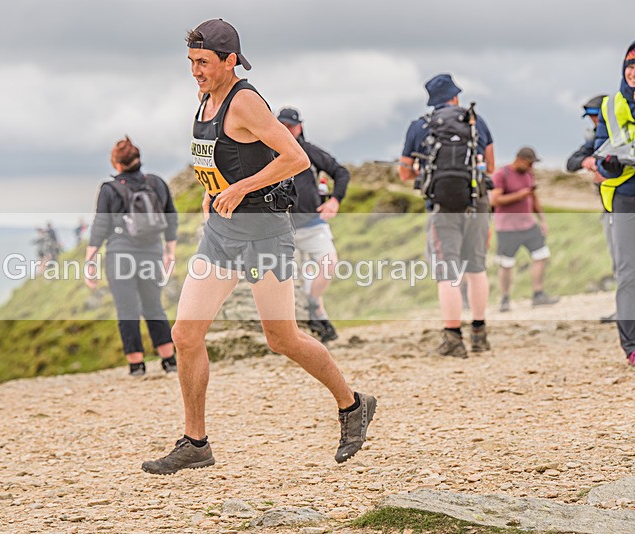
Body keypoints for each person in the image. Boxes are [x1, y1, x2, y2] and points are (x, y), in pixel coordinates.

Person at [141, 19, 376, 475]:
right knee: (185, 336)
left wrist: (239, 188)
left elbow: (296, 158)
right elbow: (219, 160)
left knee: (281, 338)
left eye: (204, 63)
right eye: (191, 63)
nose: (196, 71)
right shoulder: (204, 99)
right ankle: (196, 442)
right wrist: (214, 192)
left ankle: (353, 405)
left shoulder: (245, 101)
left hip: (265, 233)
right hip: (222, 237)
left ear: (231, 61)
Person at [399, 73, 495, 358]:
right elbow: (489, 165)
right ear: (455, 96)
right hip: (477, 201)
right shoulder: (476, 121)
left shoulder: (420, 126)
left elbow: (404, 172)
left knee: (448, 273)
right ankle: (479, 334)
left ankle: (454, 338)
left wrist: (427, 172)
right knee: (477, 269)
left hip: (442, 207)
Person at [84, 136, 179, 376]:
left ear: (116, 163)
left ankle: (137, 366)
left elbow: (100, 225)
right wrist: (170, 252)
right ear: (138, 160)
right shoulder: (156, 183)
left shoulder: (109, 189)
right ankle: (169, 361)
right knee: (154, 306)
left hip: (120, 255)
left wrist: (90, 260)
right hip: (152, 252)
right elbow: (171, 217)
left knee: (127, 309)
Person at [277, 106, 350, 343]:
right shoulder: (267, 153)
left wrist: (335, 201)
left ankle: (312, 305)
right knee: (290, 279)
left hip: (313, 223)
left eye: (291, 125)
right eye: (283, 125)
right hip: (282, 228)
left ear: (299, 127)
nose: (287, 130)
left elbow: (341, 172)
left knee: (329, 264)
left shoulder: (310, 152)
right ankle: (315, 320)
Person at [593, 41, 635, 367]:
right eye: (629, 67)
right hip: (625, 197)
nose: (633, 73)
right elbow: (598, 151)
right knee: (628, 273)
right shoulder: (609, 107)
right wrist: (609, 163)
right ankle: (632, 346)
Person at [490, 147, 559, 312]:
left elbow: (533, 197)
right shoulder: (502, 175)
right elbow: (495, 200)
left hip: (528, 225)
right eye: (529, 163)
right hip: (507, 227)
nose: (531, 167)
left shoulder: (529, 175)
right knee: (506, 264)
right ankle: (505, 299)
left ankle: (538, 294)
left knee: (541, 255)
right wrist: (519, 195)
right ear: (519, 159)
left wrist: (542, 219)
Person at [566, 95, 616, 322]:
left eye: (596, 116)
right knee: (620, 262)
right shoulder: (596, 139)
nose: (594, 121)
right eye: (591, 118)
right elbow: (571, 162)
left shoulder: (623, 132)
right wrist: (591, 162)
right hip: (609, 209)